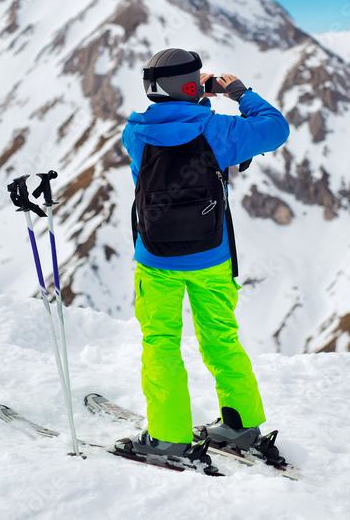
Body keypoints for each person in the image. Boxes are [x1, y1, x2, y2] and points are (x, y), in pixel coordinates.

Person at [116, 47, 289, 464]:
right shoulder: (218, 132)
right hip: (211, 258)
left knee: (160, 344)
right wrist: (237, 93)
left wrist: (196, 99)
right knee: (220, 338)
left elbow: (175, 128)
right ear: (192, 86)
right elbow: (274, 128)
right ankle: (240, 424)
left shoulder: (135, 134)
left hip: (155, 261)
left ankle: (169, 437)